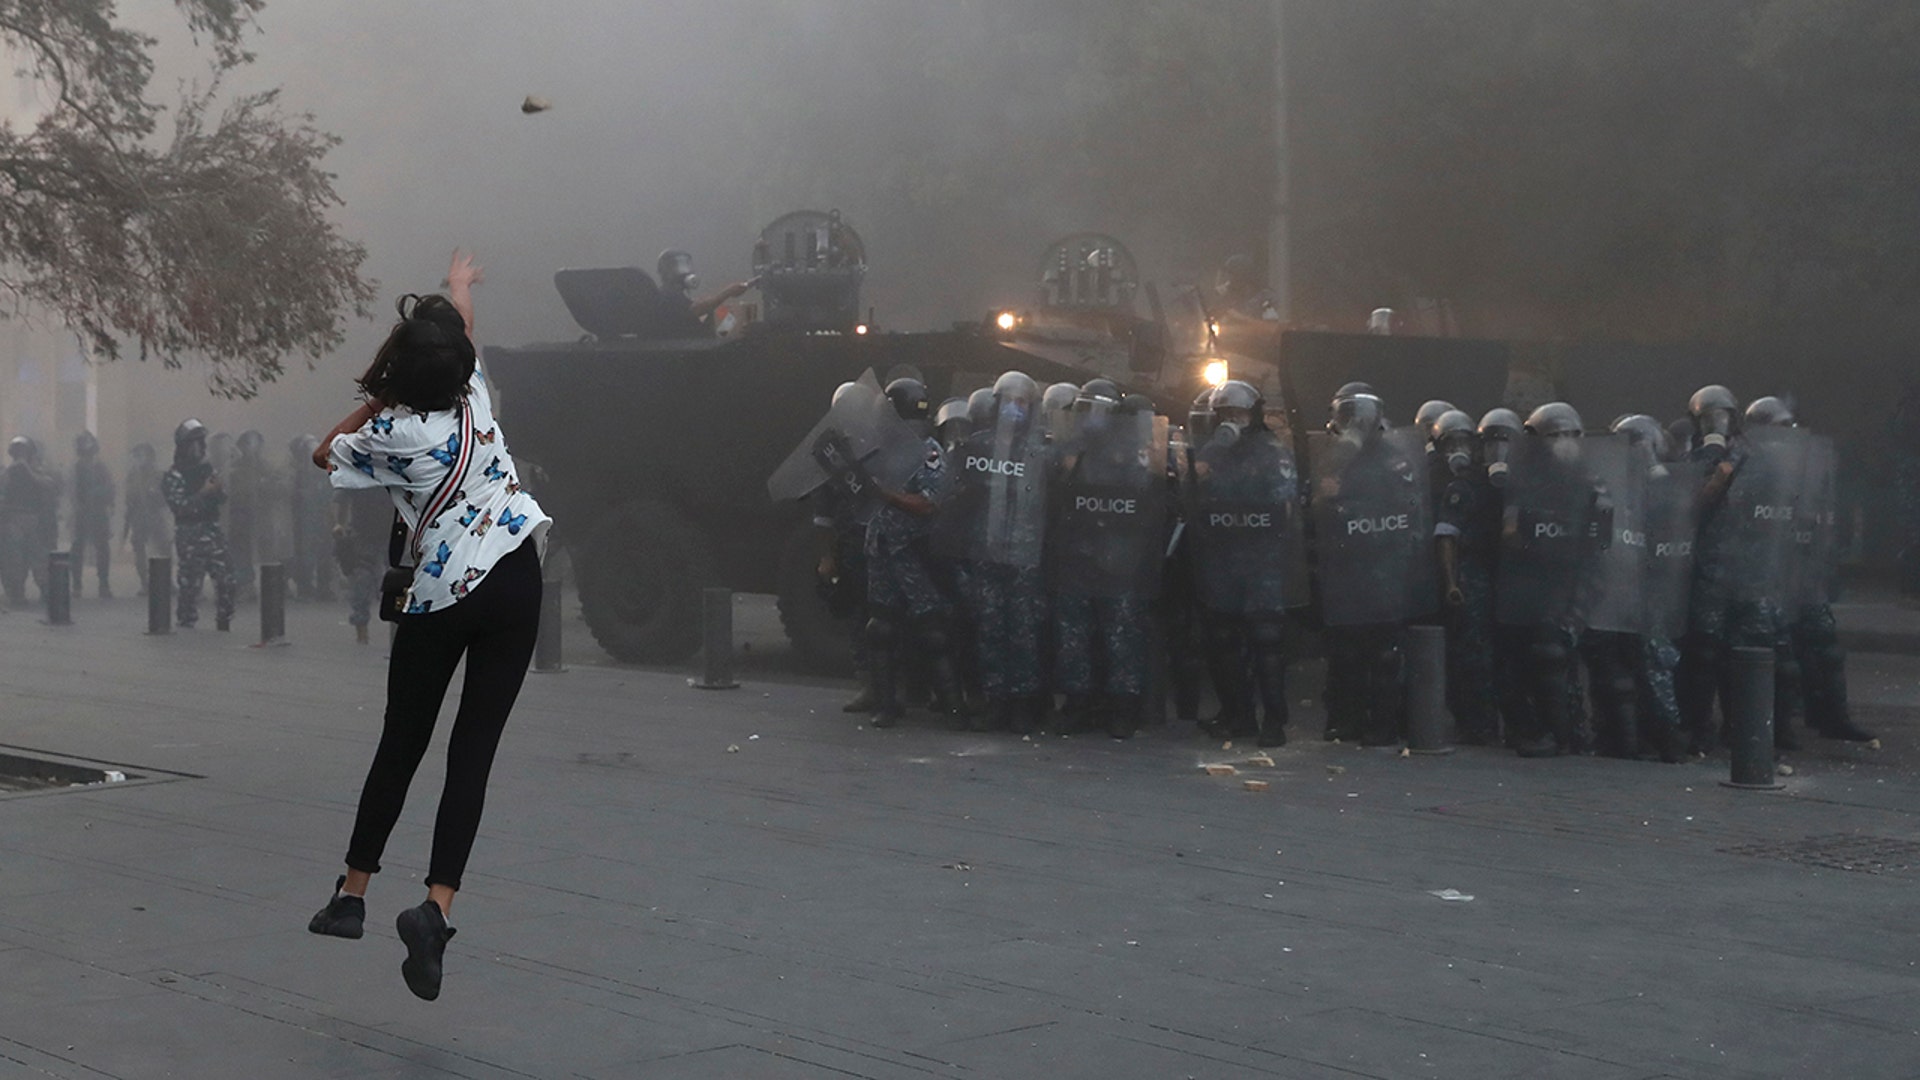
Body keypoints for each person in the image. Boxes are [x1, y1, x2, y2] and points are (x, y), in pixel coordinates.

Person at [306, 251, 551, 1003]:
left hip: (443, 595)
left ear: (401, 375)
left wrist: (376, 397)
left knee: (403, 740)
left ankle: (352, 893)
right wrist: (460, 290)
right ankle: (436, 912)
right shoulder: (477, 395)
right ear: (461, 366)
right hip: (516, 579)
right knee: (471, 755)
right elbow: (461, 338)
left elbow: (324, 452)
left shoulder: (393, 435)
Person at [162, 421, 236, 629]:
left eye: (199, 443)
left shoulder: (207, 470)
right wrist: (203, 492)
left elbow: (221, 500)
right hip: (189, 534)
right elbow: (180, 507)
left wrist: (217, 489)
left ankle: (224, 619)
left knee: (227, 579)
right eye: (192, 444)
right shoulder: (174, 475)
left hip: (212, 530)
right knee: (190, 585)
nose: (197, 448)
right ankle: (186, 622)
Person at [0, 436, 57, 606]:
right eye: (18, 452)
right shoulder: (8, 473)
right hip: (13, 521)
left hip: (34, 520)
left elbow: (49, 486)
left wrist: (28, 471)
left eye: (23, 452)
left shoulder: (38, 473)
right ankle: (17, 592)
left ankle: (47, 591)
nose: (21, 455)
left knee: (39, 558)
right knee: (15, 560)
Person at [655, 249, 754, 337]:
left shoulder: (681, 297)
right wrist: (727, 293)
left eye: (686, 265)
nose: (685, 271)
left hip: (701, 347)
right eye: (678, 266)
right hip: (691, 351)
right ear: (666, 271)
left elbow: (705, 309)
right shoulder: (667, 295)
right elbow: (696, 310)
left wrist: (730, 318)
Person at [70, 431, 114, 597]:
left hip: (97, 512)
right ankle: (77, 584)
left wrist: (101, 495)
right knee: (78, 548)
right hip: (82, 512)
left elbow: (110, 489)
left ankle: (103, 583)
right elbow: (71, 492)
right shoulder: (76, 468)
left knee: (101, 548)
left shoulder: (101, 468)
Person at [123, 443, 169, 596]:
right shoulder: (132, 476)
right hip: (138, 517)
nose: (139, 459)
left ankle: (167, 581)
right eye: (137, 456)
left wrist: (155, 495)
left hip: (155, 516)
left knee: (163, 549)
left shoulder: (159, 475)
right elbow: (128, 499)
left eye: (141, 455)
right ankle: (145, 582)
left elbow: (166, 499)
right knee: (140, 550)